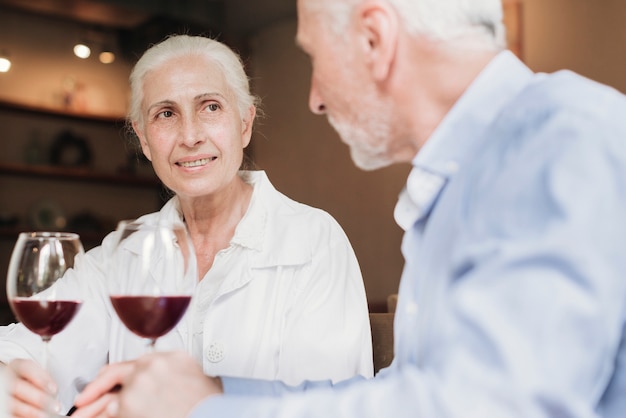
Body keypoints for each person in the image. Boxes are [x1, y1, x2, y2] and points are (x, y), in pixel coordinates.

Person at [72, 0, 626, 416]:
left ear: (374, 39)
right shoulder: (473, 176)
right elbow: (411, 394)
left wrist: (209, 411)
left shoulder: (562, 143)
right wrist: (216, 393)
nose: (313, 96)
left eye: (314, 56)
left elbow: (492, 404)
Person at [0, 34, 374, 416]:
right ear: (144, 139)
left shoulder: (313, 240)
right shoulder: (120, 252)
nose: (190, 136)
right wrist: (9, 382)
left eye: (210, 107)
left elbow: (332, 407)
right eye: (166, 114)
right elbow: (22, 351)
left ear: (244, 124)